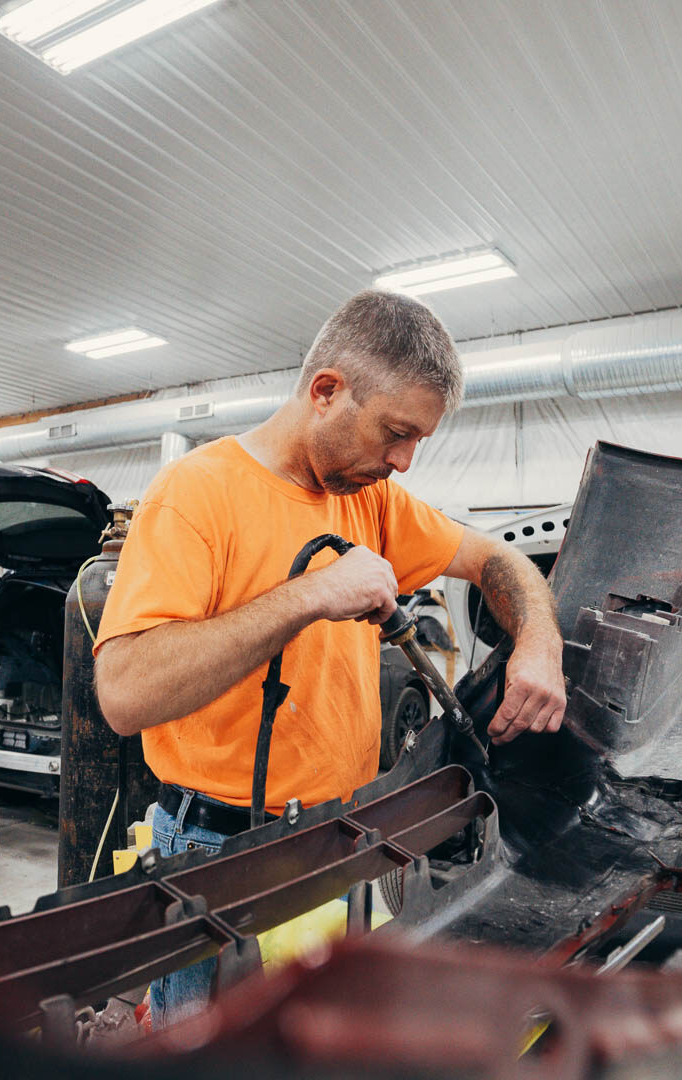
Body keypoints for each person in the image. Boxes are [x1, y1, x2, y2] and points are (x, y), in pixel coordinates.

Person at [93, 289, 566, 1025]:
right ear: (325, 391)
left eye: (417, 443)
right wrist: (307, 596)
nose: (403, 462)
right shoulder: (195, 496)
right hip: (219, 852)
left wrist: (538, 645)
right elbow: (123, 693)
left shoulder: (369, 498)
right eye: (395, 433)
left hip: (341, 840)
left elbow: (496, 559)